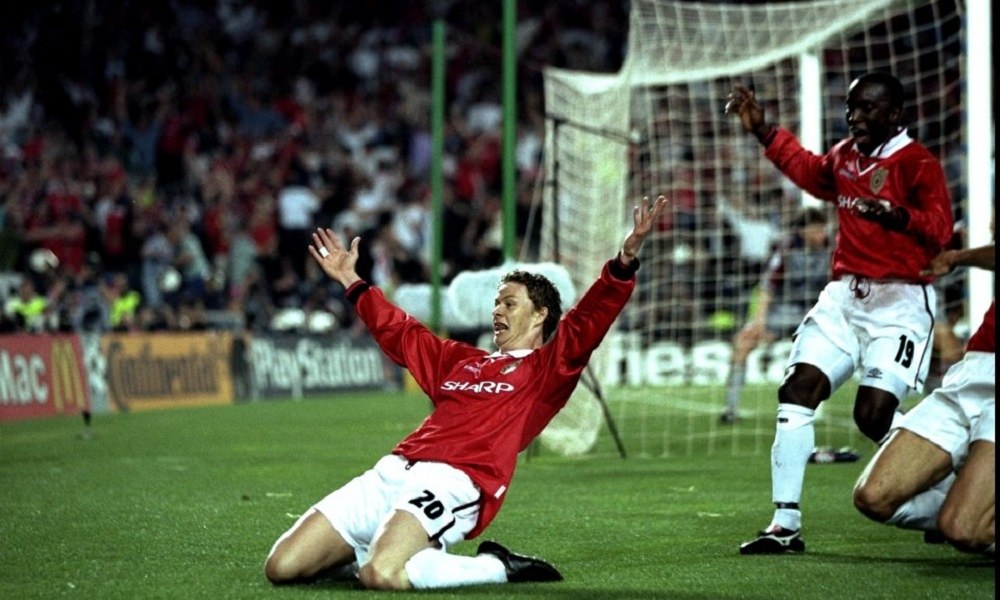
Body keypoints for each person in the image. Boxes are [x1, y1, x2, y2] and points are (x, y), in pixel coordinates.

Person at [264, 196, 669, 590]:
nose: (497, 311)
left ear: (541, 315)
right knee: (282, 566)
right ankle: (376, 552)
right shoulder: (461, 360)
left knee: (382, 575)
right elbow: (402, 333)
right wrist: (352, 282)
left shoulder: (547, 369)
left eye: (509, 303)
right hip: (393, 470)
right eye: (496, 303)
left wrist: (624, 262)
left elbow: (588, 320)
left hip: (452, 481)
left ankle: (497, 566)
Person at [725, 71, 954, 554]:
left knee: (872, 415)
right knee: (796, 389)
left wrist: (898, 216)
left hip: (900, 302)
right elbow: (811, 173)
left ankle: (948, 485)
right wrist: (764, 131)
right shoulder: (846, 155)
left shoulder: (917, 163)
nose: (855, 116)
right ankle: (785, 524)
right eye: (852, 107)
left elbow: (940, 229)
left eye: (868, 108)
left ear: (895, 113)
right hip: (845, 298)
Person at [853, 242, 994, 555]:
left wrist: (959, 256)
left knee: (962, 529)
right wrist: (958, 257)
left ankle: (974, 512)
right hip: (974, 370)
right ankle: (972, 500)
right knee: (873, 497)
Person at [721, 207, 831, 424]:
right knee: (743, 343)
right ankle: (730, 409)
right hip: (782, 310)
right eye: (816, 229)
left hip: (815, 311)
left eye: (822, 229)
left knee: (825, 351)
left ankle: (814, 406)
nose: (821, 234)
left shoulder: (834, 248)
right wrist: (759, 323)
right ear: (803, 231)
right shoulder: (787, 249)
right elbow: (767, 288)